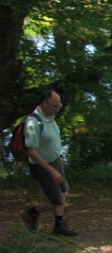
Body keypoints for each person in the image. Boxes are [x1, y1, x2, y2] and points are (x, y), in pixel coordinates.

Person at [20, 88, 78, 236]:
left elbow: (49, 141)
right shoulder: (33, 123)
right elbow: (32, 152)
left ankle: (59, 226)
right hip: (43, 167)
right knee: (56, 200)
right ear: (45, 103)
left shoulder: (49, 116)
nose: (58, 109)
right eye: (55, 106)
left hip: (55, 161)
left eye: (59, 105)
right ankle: (31, 213)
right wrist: (52, 170)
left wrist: (58, 157)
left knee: (64, 190)